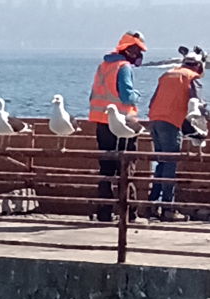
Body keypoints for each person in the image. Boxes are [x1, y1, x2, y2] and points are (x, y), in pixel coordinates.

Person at [88, 31, 147, 222]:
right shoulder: (123, 67)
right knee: (126, 167)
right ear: (129, 51)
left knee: (106, 168)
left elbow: (93, 95)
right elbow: (127, 96)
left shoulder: (103, 65)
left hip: (102, 123)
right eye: (137, 51)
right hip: (123, 124)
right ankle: (129, 214)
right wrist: (138, 95)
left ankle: (104, 212)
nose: (139, 55)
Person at [147, 47, 206, 221]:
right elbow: (196, 104)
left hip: (154, 120)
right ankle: (168, 208)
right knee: (170, 164)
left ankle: (151, 205)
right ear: (198, 66)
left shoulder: (167, 75)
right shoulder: (191, 77)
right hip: (170, 123)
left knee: (162, 163)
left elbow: (153, 100)